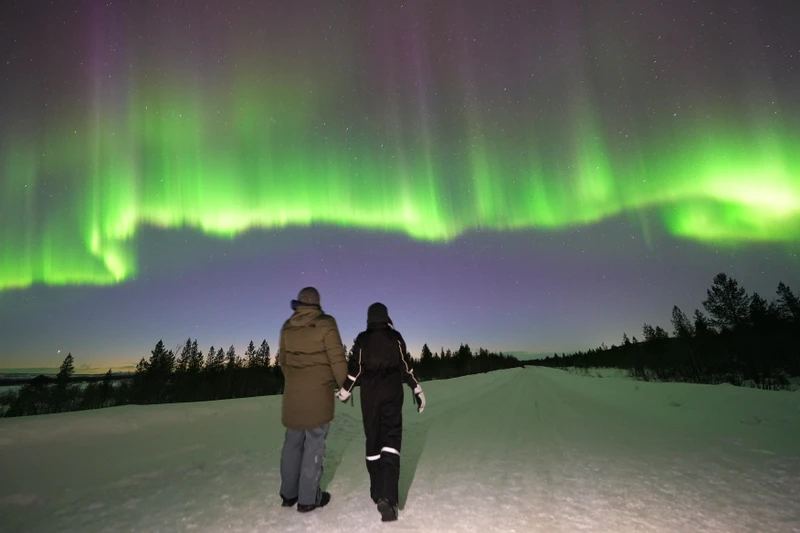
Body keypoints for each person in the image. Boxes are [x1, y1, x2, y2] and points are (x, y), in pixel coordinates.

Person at [335, 302, 426, 522]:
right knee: (391, 439)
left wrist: (345, 390)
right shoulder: (395, 337)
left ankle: (377, 492)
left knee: (373, 440)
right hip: (392, 394)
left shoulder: (362, 339)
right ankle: (388, 497)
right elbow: (405, 366)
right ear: (386, 317)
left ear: (369, 319)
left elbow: (356, 369)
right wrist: (416, 387)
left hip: (370, 398)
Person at [278, 287, 348, 513]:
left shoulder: (288, 326)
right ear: (317, 303)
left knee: (292, 442)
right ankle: (309, 498)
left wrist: (296, 380)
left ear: (299, 303)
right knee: (314, 442)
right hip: (318, 394)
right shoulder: (326, 323)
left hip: (293, 394)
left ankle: (289, 494)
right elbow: (337, 357)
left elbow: (283, 361)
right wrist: (344, 384)